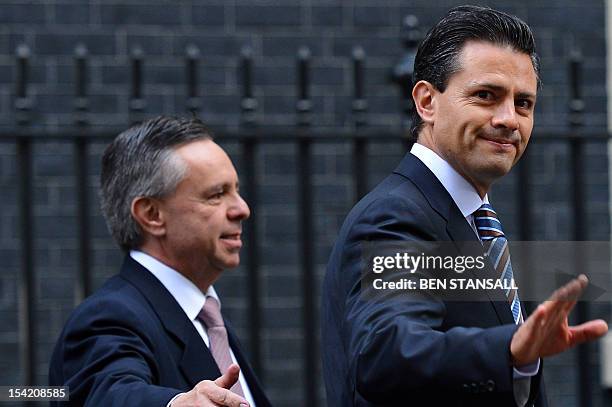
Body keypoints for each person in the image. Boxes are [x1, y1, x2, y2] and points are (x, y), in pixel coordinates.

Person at [321, 5, 608, 407]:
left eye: (523, 103)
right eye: (486, 96)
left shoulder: (471, 221)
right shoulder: (395, 216)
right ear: (426, 102)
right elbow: (386, 354)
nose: (510, 119)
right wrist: (509, 348)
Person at [49, 116, 272, 407]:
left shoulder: (207, 318)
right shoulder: (109, 316)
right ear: (152, 215)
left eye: (236, 190)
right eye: (216, 195)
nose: (242, 209)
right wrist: (176, 404)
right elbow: (107, 393)